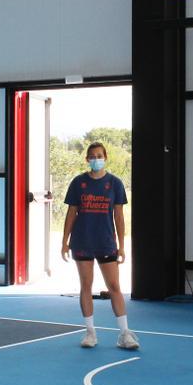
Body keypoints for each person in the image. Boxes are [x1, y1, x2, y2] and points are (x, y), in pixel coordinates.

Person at [61, 142, 139, 350]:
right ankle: (90, 333)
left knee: (114, 287)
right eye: (92, 156)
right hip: (83, 241)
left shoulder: (115, 183)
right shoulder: (78, 183)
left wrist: (122, 246)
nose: (96, 159)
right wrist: (64, 242)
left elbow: (119, 217)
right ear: (87, 159)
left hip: (106, 242)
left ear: (105, 157)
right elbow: (71, 213)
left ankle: (124, 334)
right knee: (86, 285)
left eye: (99, 155)